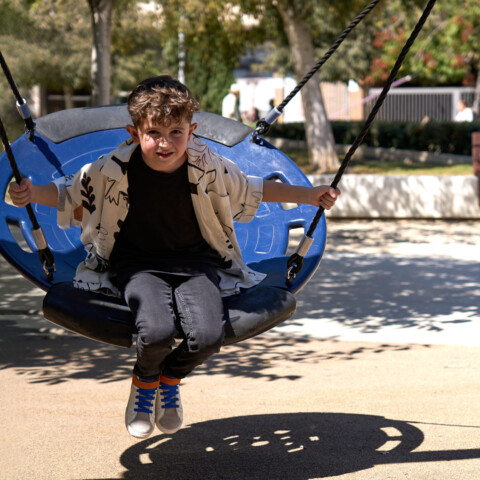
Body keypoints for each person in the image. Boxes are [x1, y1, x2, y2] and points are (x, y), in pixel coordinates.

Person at [8, 75, 340, 439]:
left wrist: (309, 196)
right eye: (153, 133)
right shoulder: (112, 169)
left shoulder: (209, 167)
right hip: (136, 265)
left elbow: (252, 189)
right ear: (134, 133)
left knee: (208, 336)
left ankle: (168, 378)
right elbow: (68, 193)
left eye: (175, 133)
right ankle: (143, 382)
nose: (165, 143)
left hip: (197, 264)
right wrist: (30, 194)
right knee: (156, 332)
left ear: (191, 131)